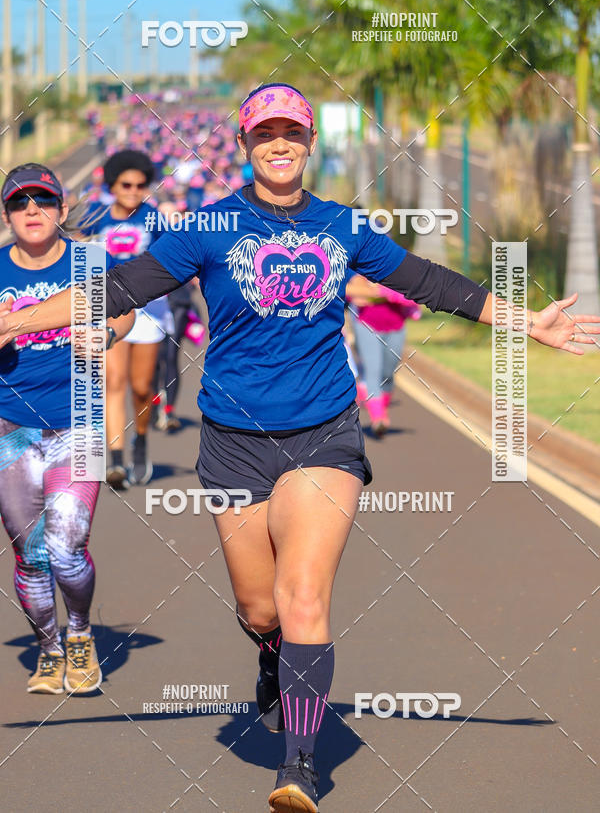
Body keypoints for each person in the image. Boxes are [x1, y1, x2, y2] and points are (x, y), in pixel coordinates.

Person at [1, 85, 598, 811]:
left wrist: (525, 322)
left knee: (305, 595)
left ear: (309, 143)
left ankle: (301, 766)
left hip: (323, 433)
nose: (279, 144)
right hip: (231, 443)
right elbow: (118, 286)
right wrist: (15, 321)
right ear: (247, 145)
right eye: (264, 134)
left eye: (292, 132)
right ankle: (271, 657)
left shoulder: (343, 225)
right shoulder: (208, 227)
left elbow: (426, 281)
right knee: (262, 610)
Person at [0, 163, 134, 694]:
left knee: (67, 544)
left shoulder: (91, 262)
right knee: (29, 553)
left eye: (43, 201)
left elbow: (125, 311)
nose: (32, 211)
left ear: (61, 208)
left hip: (80, 418)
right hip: (9, 429)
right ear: (7, 213)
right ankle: (48, 647)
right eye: (19, 203)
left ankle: (79, 636)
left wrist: (104, 334)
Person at [78, 150, 173, 489]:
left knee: (141, 388)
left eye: (140, 185)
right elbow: (73, 244)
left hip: (150, 312)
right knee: (113, 382)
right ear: (112, 185)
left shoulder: (155, 220)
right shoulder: (94, 216)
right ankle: (116, 460)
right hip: (110, 309)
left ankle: (141, 440)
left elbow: (173, 262)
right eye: (126, 184)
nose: (133, 190)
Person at [346, 273, 421, 437]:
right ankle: (378, 418)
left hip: (395, 325)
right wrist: (380, 292)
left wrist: (400, 296)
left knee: (388, 372)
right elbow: (350, 291)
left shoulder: (397, 266)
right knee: (373, 369)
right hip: (366, 323)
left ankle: (371, 398)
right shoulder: (360, 268)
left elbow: (414, 294)